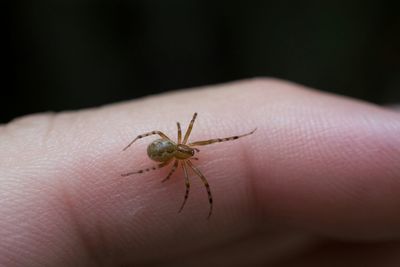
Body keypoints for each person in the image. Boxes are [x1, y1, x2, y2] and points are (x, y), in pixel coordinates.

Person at [1, 78, 399, 266]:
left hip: (161, 151)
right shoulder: (176, 154)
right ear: (183, 145)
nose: (193, 151)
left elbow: (193, 162)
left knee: (199, 183)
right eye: (189, 148)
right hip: (158, 151)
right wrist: (142, 166)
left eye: (189, 148)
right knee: (194, 182)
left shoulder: (184, 156)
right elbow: (169, 147)